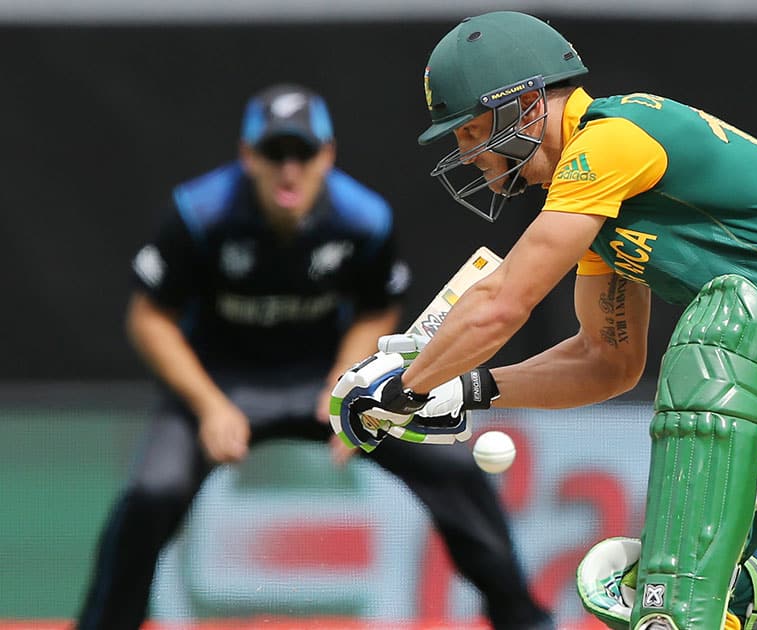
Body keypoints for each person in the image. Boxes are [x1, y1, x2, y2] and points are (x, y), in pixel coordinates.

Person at [333, 12, 757, 630]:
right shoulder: (595, 200)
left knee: (707, 368)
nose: (468, 153)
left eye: (472, 130)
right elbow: (607, 362)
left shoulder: (613, 141)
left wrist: (406, 387)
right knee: (684, 589)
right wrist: (467, 389)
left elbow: (506, 299)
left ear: (527, 104)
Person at [75, 83, 553, 630]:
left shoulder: (363, 218)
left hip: (323, 381)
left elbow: (377, 308)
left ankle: (524, 621)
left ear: (326, 155)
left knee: (449, 466)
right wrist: (209, 407)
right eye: (273, 154)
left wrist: (346, 380)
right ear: (246, 155)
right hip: (219, 382)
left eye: (302, 154)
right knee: (152, 491)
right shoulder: (198, 213)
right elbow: (149, 318)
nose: (289, 171)